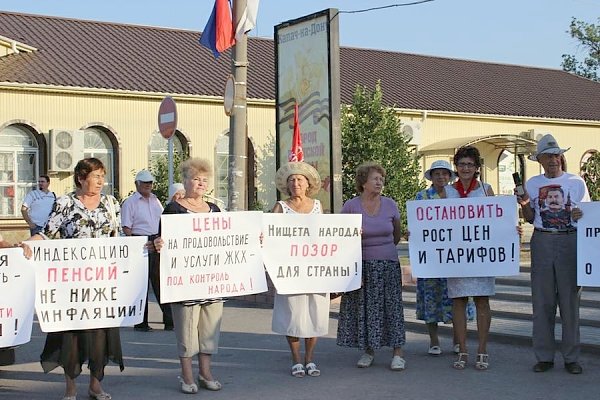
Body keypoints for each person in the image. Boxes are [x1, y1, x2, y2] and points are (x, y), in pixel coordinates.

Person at [23, 158, 123, 400]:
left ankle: (95, 385)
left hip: (102, 282)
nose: (100, 181)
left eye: (102, 176)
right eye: (95, 176)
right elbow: (48, 233)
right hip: (72, 283)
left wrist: (148, 246)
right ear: (81, 178)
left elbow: (119, 239)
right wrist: (28, 244)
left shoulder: (111, 203)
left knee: (100, 334)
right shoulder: (65, 203)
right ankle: (70, 388)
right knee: (72, 336)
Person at [516, 134, 589, 374]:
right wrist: (524, 202)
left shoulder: (576, 182)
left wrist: (581, 214)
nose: (552, 160)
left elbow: (587, 214)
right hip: (543, 239)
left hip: (570, 239)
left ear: (561, 157)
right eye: (547, 156)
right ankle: (544, 355)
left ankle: (571, 357)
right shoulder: (532, 184)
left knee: (570, 302)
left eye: (556, 155)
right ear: (540, 160)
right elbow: (528, 217)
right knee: (542, 301)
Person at [153, 158, 224, 393]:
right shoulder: (174, 209)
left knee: (209, 330)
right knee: (186, 331)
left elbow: (228, 239)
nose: (201, 183)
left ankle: (205, 373)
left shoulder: (215, 209)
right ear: (185, 181)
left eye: (204, 180)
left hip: (212, 280)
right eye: (196, 179)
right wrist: (158, 243)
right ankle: (187, 376)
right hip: (184, 281)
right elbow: (160, 238)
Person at [336, 162, 406, 371]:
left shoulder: (390, 204)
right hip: (361, 266)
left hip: (388, 265)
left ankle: (398, 354)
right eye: (375, 178)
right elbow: (341, 236)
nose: (379, 182)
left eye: (381, 179)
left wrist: (383, 251)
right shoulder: (350, 206)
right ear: (363, 182)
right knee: (364, 309)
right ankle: (368, 351)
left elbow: (396, 234)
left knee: (392, 308)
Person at [271, 161, 329, 378]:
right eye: (292, 180)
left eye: (300, 180)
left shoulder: (317, 206)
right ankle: (296, 359)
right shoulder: (281, 207)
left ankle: (310, 358)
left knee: (315, 312)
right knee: (293, 314)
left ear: (308, 184)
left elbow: (326, 234)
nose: (296, 183)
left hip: (315, 269)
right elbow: (271, 236)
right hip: (291, 270)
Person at [446, 146, 495, 371]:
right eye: (461, 164)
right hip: (457, 255)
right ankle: (463, 350)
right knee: (458, 301)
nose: (465, 168)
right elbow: (438, 222)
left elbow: (498, 218)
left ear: (476, 168)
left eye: (470, 164)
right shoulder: (447, 191)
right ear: (456, 167)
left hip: (481, 254)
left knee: (482, 300)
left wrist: (509, 230)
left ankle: (482, 350)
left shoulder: (485, 190)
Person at [414, 160, 464, 355]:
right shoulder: (422, 196)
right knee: (431, 299)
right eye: (437, 174)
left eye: (445, 173)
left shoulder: (457, 195)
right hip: (431, 257)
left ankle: (458, 341)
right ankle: (434, 341)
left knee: (455, 300)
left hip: (453, 256)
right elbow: (417, 222)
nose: (441, 177)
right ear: (431, 176)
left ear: (450, 176)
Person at [121, 170, 173, 332]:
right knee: (141, 285)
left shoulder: (155, 200)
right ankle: (141, 322)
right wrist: (135, 246)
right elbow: (126, 227)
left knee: (160, 284)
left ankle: (170, 320)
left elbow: (162, 219)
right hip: (140, 242)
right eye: (145, 183)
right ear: (137, 184)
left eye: (150, 183)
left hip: (156, 240)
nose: (148, 186)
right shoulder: (130, 202)